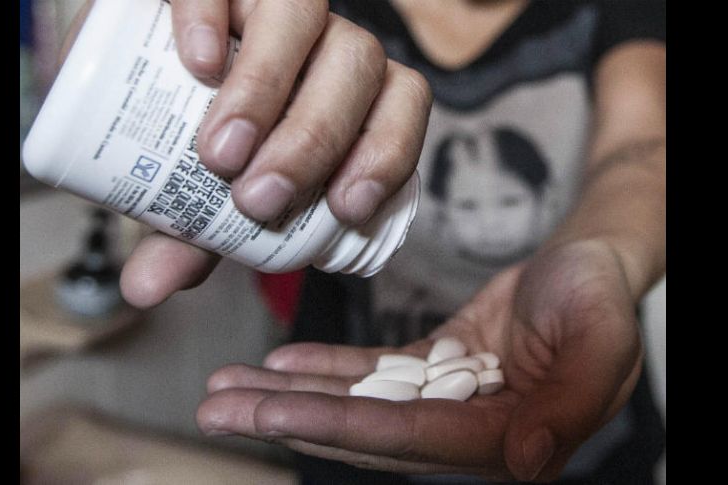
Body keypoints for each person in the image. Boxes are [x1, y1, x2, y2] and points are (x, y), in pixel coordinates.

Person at [97, 0, 665, 482]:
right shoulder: (323, 11)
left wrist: (607, 254)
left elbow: (641, 151)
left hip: (593, 446)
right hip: (350, 420)